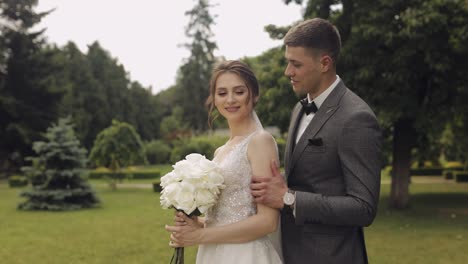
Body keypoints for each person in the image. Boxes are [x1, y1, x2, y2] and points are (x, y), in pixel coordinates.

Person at [250, 18, 383, 264]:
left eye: (295, 64)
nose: (287, 72)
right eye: (287, 62)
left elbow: (364, 208)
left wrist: (290, 198)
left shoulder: (356, 118)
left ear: (324, 63)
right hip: (290, 251)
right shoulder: (298, 109)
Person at [165, 60, 283, 263]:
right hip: (213, 253)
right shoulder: (220, 150)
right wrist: (195, 223)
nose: (230, 99)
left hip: (246, 255)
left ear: (254, 95)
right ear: (214, 99)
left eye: (239, 91)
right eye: (222, 93)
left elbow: (267, 222)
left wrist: (199, 236)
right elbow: (223, 218)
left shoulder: (260, 142)